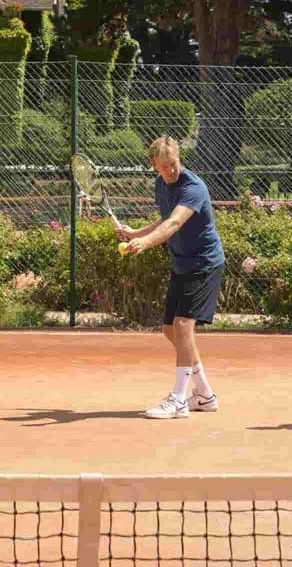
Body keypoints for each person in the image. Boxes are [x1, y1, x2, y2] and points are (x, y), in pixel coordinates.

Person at [116, 136, 225, 419]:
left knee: (183, 325)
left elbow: (176, 222)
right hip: (182, 265)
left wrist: (146, 243)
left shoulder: (194, 187)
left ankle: (178, 399)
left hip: (203, 264)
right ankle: (204, 395)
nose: (171, 170)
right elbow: (164, 218)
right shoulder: (160, 184)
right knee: (169, 330)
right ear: (154, 165)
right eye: (164, 166)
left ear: (179, 158)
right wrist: (136, 233)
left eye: (174, 164)